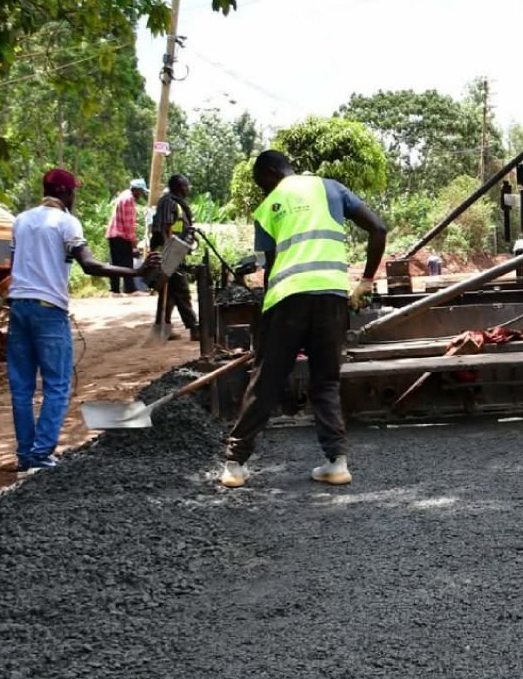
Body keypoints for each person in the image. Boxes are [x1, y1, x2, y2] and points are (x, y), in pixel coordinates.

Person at [217, 146, 388, 490]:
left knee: (266, 379)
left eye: (262, 184)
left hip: (287, 298)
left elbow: (268, 270)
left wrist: (266, 324)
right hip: (332, 296)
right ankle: (336, 463)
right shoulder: (332, 187)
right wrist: (366, 281)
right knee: (325, 381)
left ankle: (235, 465)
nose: (265, 191)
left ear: (268, 174)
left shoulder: (269, 206)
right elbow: (379, 229)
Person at [0, 167, 123, 470]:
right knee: (56, 384)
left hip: (19, 308)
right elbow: (90, 265)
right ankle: (41, 455)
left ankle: (25, 455)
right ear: (66, 193)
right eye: (74, 192)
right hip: (48, 309)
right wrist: (135, 273)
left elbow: (13, 267)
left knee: (22, 387)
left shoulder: (22, 221)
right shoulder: (66, 222)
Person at [147, 173, 198, 342]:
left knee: (169, 294)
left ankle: (162, 326)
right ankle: (194, 328)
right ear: (177, 187)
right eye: (185, 185)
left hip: (176, 251)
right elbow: (164, 228)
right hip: (168, 252)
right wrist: (169, 255)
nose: (187, 189)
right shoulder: (168, 202)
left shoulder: (178, 203)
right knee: (181, 289)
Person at [106, 179, 143, 292]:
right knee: (127, 263)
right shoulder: (129, 199)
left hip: (114, 233)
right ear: (136, 190)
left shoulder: (123, 195)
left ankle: (115, 290)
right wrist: (133, 241)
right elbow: (128, 223)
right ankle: (129, 289)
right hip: (121, 234)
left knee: (115, 263)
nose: (141, 195)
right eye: (141, 192)